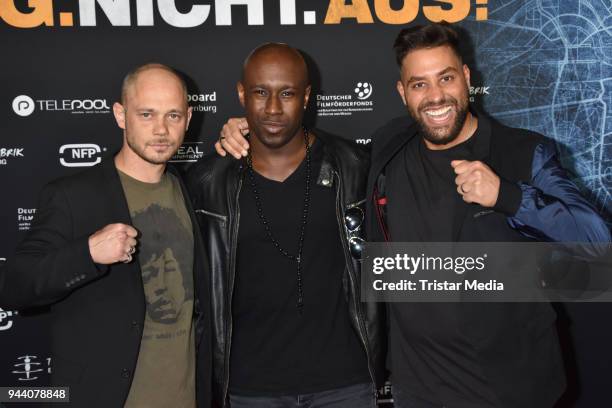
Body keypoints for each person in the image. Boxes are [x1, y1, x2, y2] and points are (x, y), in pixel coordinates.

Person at [215, 25, 610, 408]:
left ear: (467, 78)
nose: (436, 96)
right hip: (415, 389)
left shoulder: (522, 153)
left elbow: (597, 245)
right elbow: (313, 151)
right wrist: (253, 127)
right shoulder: (388, 146)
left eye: (446, 78)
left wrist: (507, 195)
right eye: (419, 84)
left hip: (509, 390)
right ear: (403, 92)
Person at [0, 63, 211, 408]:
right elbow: (13, 287)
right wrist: (86, 253)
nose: (161, 129)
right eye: (146, 114)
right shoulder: (73, 195)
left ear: (188, 119)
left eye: (173, 115)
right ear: (120, 114)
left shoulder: (193, 190)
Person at [186, 43, 384, 408]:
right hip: (249, 388)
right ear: (242, 94)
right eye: (260, 92)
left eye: (287, 93)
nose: (273, 108)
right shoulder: (206, 182)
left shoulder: (356, 167)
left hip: (345, 384)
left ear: (306, 96)